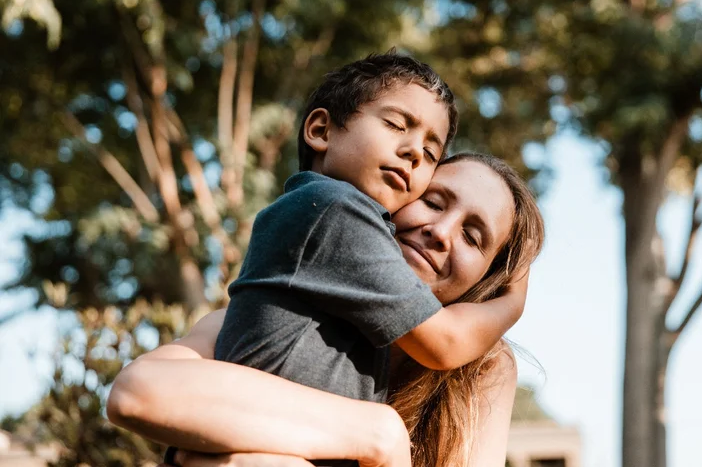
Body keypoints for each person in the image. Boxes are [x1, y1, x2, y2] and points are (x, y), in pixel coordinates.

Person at [108, 153, 545, 467]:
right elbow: (138, 391)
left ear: (485, 281)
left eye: (473, 237)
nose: (441, 232)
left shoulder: (481, 370)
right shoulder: (279, 319)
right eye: (433, 202)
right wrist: (376, 434)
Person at [212, 49, 529, 418]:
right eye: (396, 125)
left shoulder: (324, 216)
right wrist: (515, 300)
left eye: (430, 152)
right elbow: (446, 343)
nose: (413, 152)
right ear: (320, 130)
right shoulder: (333, 209)